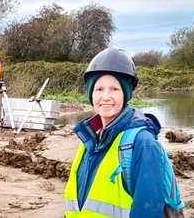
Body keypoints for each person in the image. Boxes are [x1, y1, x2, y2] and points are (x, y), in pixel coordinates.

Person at [64, 48, 185, 217]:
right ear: (91, 93)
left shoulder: (143, 143)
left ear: (125, 94)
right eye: (99, 89)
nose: (106, 97)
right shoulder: (89, 137)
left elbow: (148, 210)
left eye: (114, 89)